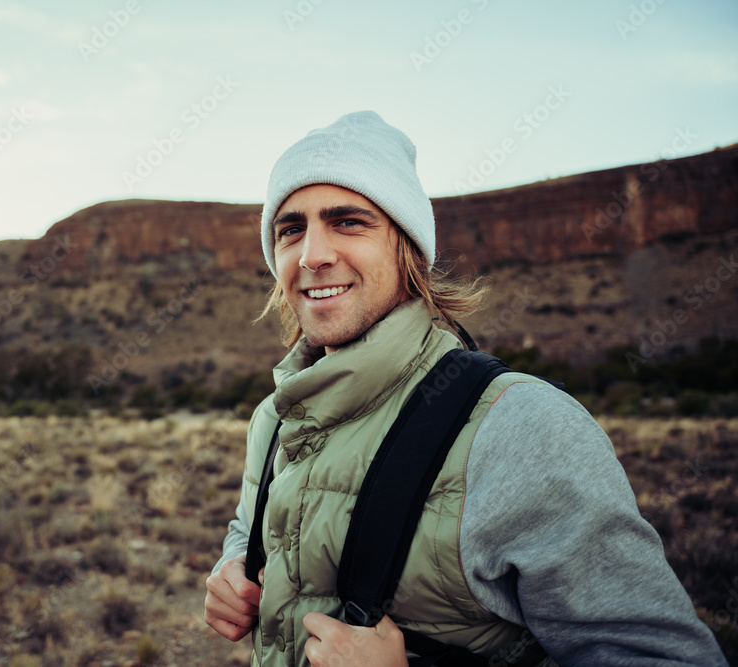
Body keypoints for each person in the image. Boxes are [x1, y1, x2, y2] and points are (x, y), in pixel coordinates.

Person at [203, 111, 727, 666]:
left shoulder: (520, 423)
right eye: (290, 229)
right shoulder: (276, 416)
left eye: (348, 222)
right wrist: (235, 564)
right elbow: (250, 528)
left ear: (407, 250)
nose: (312, 255)